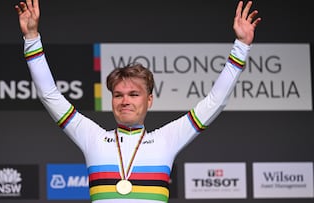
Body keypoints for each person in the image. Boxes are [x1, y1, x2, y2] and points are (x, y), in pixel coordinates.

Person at [15, 0, 261, 202]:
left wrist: (241, 46)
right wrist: (32, 37)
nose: (125, 101)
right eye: (118, 95)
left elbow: (215, 101)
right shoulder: (92, 136)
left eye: (134, 94)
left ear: (149, 100)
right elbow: (50, 95)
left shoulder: (167, 138)